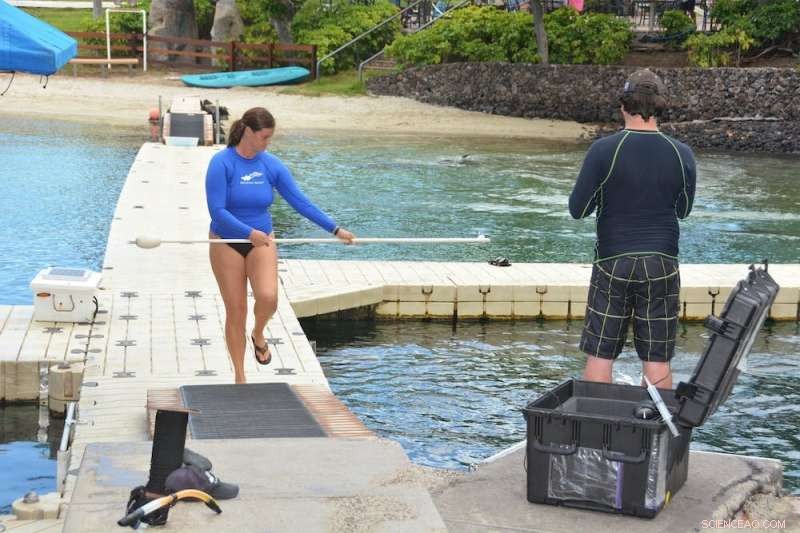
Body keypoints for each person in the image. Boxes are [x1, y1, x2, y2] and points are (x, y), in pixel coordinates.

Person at [205, 107, 354, 384]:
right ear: (248, 132)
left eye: (270, 138)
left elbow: (300, 202)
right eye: (264, 137)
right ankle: (240, 377)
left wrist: (334, 229)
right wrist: (248, 233)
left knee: (269, 297)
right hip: (227, 240)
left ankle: (258, 333)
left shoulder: (270, 165)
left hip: (262, 240)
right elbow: (217, 211)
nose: (267, 143)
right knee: (236, 310)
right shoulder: (221, 163)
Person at [568, 69, 696, 390]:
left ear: (623, 105)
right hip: (661, 263)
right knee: (656, 359)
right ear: (661, 106)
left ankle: (598, 430)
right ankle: (656, 435)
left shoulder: (603, 150)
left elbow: (578, 210)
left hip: (613, 260)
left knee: (600, 354)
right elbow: (683, 210)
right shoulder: (682, 154)